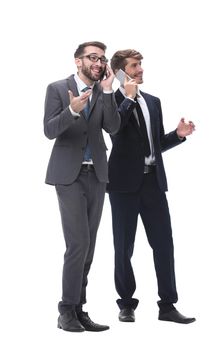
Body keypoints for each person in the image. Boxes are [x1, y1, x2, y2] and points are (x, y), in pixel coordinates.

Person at [107, 49, 196, 324]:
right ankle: (126, 304)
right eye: (135, 66)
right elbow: (115, 131)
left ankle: (167, 306)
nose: (141, 69)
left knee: (164, 244)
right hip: (123, 185)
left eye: (141, 65)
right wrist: (129, 98)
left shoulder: (154, 102)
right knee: (124, 247)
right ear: (121, 72)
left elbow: (156, 144)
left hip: (153, 182)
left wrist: (178, 136)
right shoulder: (110, 101)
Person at [44, 41, 120, 332]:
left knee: (89, 247)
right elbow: (49, 130)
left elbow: (112, 128)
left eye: (102, 58)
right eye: (93, 58)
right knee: (79, 243)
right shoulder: (56, 88)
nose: (98, 63)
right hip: (69, 176)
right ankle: (66, 310)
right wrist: (72, 111)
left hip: (97, 174)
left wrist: (111, 91)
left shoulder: (103, 91)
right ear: (78, 61)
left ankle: (79, 308)